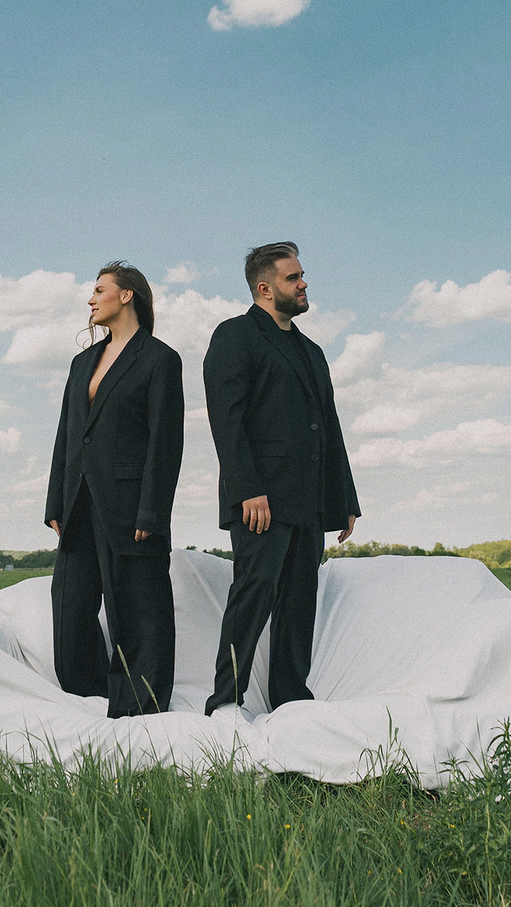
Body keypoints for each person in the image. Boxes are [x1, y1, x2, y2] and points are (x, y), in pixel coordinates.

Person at [203, 241, 359, 716]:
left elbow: (328, 427)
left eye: (302, 275)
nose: (304, 283)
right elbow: (226, 419)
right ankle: (225, 700)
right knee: (252, 596)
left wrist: (343, 499)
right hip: (261, 501)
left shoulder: (312, 351)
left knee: (299, 603)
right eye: (294, 278)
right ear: (265, 288)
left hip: (308, 500)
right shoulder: (235, 335)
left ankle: (292, 701)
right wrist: (248, 489)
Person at [45, 262, 184, 716]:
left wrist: (152, 512)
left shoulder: (160, 359)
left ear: (126, 296)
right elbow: (67, 435)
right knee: (70, 612)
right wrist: (55, 500)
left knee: (140, 613)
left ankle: (140, 712)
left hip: (131, 509)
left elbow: (166, 444)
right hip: (78, 505)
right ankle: (90, 705)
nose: (91, 299)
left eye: (99, 290)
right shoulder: (81, 362)